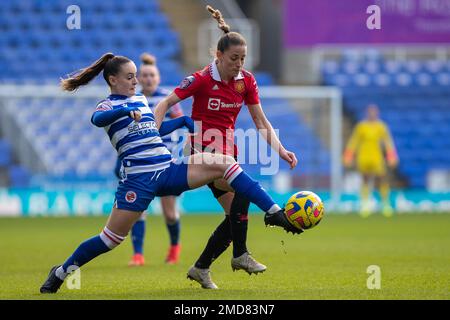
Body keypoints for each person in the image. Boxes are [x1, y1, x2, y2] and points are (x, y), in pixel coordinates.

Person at [40, 53, 299, 294]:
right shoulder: (108, 105)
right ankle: (62, 272)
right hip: (138, 181)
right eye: (130, 77)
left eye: (136, 76)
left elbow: (155, 131)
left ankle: (274, 212)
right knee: (109, 240)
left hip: (167, 169)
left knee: (224, 163)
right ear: (113, 79)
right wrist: (124, 111)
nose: (136, 81)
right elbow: (97, 119)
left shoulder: (140, 100)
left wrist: (183, 122)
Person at [153, 6, 299, 289]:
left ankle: (201, 267)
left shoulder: (246, 82)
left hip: (227, 153)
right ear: (218, 56)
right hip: (201, 152)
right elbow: (165, 103)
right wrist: (153, 129)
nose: (239, 64)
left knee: (235, 219)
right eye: (234, 58)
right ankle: (241, 254)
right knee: (243, 188)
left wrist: (280, 149)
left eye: (243, 58)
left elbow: (260, 120)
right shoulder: (201, 79)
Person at [116, 53, 184, 266]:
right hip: (142, 163)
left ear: (158, 77)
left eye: (151, 75)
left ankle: (174, 248)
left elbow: (180, 126)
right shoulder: (133, 100)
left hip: (165, 162)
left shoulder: (167, 100)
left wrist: (181, 152)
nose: (147, 79)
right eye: (143, 75)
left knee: (170, 214)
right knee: (139, 212)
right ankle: (138, 255)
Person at [343, 104, 398, 217]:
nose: (372, 114)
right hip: (363, 157)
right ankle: (365, 204)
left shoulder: (381, 126)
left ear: (377, 113)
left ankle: (385, 204)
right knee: (365, 180)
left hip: (377, 157)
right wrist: (348, 155)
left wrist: (391, 156)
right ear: (367, 113)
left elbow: (388, 142)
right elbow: (354, 141)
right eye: (370, 112)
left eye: (374, 112)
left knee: (381, 179)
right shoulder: (361, 126)